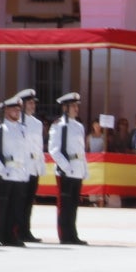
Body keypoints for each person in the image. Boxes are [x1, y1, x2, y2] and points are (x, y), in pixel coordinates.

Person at [0, 95, 32, 247]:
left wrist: (26, 170)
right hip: (4, 171)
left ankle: (12, 235)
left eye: (19, 109)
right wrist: (0, 168)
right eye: (14, 109)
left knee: (16, 206)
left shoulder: (22, 129)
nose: (17, 112)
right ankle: (0, 235)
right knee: (3, 205)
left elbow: (25, 151)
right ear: (6, 110)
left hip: (19, 172)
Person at [47, 92, 89, 245]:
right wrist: (66, 167)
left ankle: (73, 234)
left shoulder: (78, 125)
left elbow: (81, 150)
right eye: (72, 106)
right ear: (65, 107)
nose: (76, 108)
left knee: (73, 204)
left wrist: (84, 169)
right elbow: (54, 149)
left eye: (77, 105)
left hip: (77, 169)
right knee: (64, 205)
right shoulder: (58, 125)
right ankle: (64, 235)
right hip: (65, 170)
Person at [17, 88, 44, 242]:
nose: (33, 106)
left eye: (34, 103)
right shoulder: (18, 122)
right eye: (30, 103)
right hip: (22, 166)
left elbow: (38, 147)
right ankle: (18, 230)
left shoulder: (37, 123)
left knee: (29, 201)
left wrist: (40, 165)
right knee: (20, 201)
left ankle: (26, 230)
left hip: (33, 166)